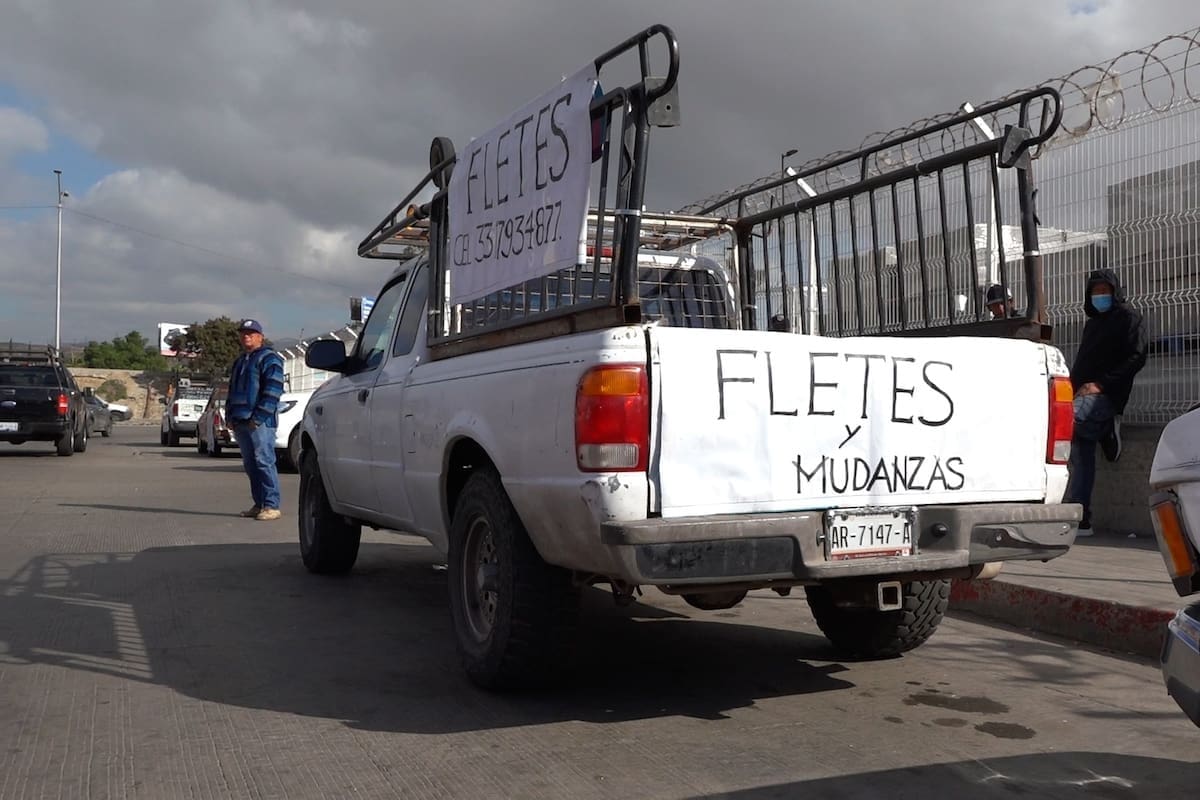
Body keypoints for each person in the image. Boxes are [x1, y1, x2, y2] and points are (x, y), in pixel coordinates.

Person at [1065, 269, 1148, 534]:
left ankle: (1107, 426)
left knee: (1071, 423)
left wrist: (1101, 384)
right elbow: (1083, 363)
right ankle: (1082, 518)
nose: (1100, 296)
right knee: (1081, 448)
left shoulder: (1128, 317)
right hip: (1085, 395)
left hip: (1107, 394)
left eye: (1105, 291)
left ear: (1115, 291)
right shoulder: (1092, 324)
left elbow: (1137, 357)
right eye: (1095, 291)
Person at [226, 319, 286, 521]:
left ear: (260, 336)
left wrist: (258, 417)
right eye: (243, 333)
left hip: (260, 423)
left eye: (251, 333)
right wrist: (229, 416)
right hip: (240, 420)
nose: (246, 336)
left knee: (264, 462)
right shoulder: (240, 361)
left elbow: (273, 390)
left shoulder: (270, 359)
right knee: (250, 464)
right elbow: (231, 390)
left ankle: (271, 505)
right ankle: (259, 503)